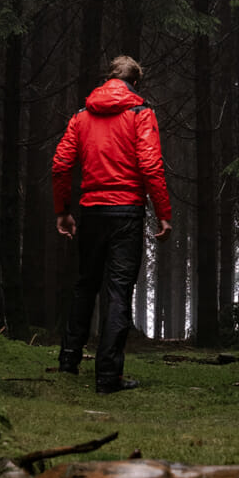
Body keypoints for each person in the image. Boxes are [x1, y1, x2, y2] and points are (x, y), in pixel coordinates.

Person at [50, 55, 171, 393]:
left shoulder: (81, 116)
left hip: (91, 212)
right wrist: (163, 212)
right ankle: (107, 377)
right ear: (137, 82)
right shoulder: (140, 114)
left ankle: (68, 362)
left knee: (85, 285)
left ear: (109, 78)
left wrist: (63, 210)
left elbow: (61, 164)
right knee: (118, 293)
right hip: (127, 214)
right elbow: (150, 165)